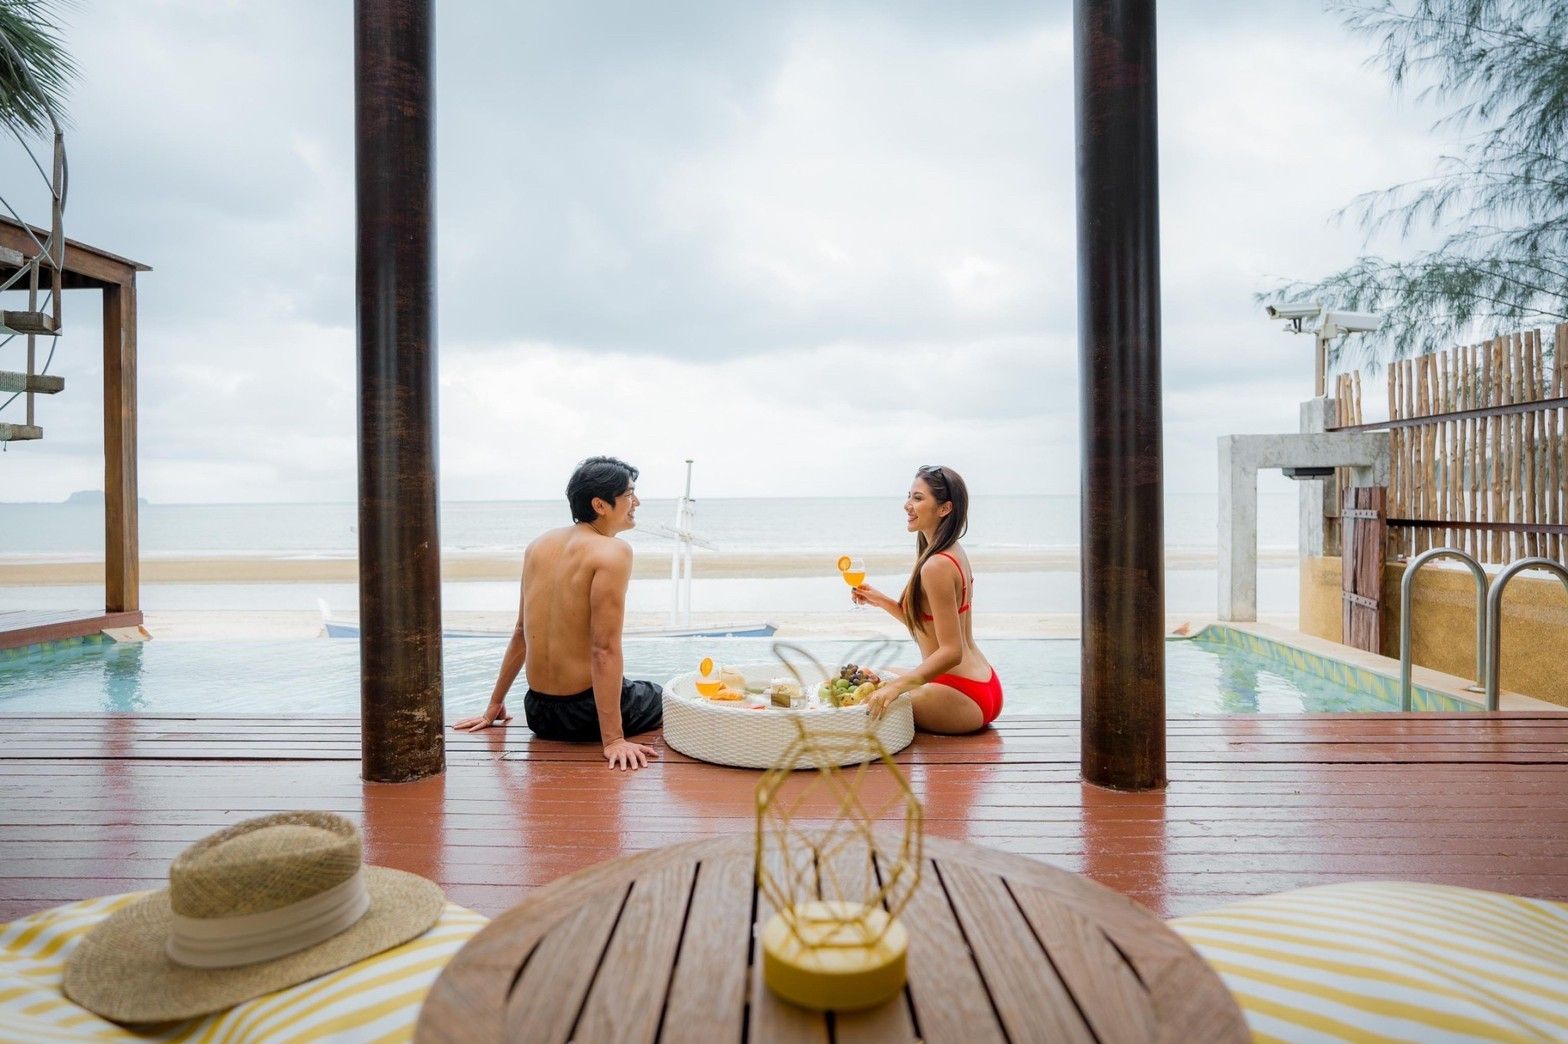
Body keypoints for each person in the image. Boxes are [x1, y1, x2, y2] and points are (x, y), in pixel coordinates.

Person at [453, 456, 662, 771]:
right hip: (584, 717)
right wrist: (614, 741)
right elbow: (603, 649)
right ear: (600, 505)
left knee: (634, 687)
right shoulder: (613, 552)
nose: (637, 502)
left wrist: (493, 706)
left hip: (538, 712)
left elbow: (520, 632)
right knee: (661, 695)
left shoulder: (538, 544)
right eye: (629, 494)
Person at [851, 465, 1003, 733]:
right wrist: (882, 601)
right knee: (868, 676)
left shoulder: (936, 566)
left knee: (863, 706)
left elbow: (951, 651)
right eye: (909, 496)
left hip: (960, 695)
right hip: (983, 684)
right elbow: (931, 628)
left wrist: (896, 688)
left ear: (944, 509)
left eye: (918, 498)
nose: (907, 505)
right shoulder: (952, 551)